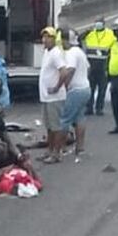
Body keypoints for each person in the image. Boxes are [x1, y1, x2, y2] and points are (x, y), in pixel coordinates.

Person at [38, 26, 70, 163]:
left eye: (48, 37)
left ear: (53, 39)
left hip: (54, 97)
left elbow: (64, 72)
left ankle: (56, 153)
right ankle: (50, 151)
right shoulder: (47, 52)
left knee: (56, 126)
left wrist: (57, 87)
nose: (45, 40)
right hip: (46, 96)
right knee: (49, 126)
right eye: (43, 37)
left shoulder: (56, 53)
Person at [59, 30, 92, 158]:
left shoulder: (71, 53)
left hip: (75, 91)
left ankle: (60, 148)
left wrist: (65, 86)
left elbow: (70, 69)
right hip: (85, 88)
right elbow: (88, 68)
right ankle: (80, 148)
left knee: (64, 119)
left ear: (66, 40)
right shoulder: (80, 52)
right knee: (79, 118)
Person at [82, 18, 117, 115]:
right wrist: (85, 32)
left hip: (103, 66)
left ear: (104, 24)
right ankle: (89, 108)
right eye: (96, 22)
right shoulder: (90, 33)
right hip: (91, 66)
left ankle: (99, 108)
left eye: (99, 23)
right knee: (90, 89)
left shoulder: (110, 34)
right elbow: (78, 39)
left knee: (102, 89)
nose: (97, 25)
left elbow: (115, 46)